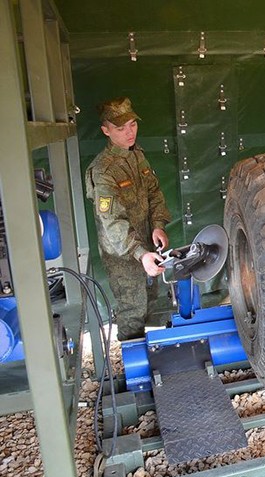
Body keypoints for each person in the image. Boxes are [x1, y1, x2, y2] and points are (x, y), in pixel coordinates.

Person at [85, 97, 172, 341]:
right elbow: (111, 223)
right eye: (120, 128)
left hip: (147, 245)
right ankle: (135, 367)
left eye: (132, 124)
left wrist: (158, 226)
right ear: (106, 131)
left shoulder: (137, 155)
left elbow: (154, 191)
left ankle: (155, 358)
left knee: (152, 301)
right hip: (122, 253)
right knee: (133, 311)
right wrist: (140, 253)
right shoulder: (103, 170)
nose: (129, 132)